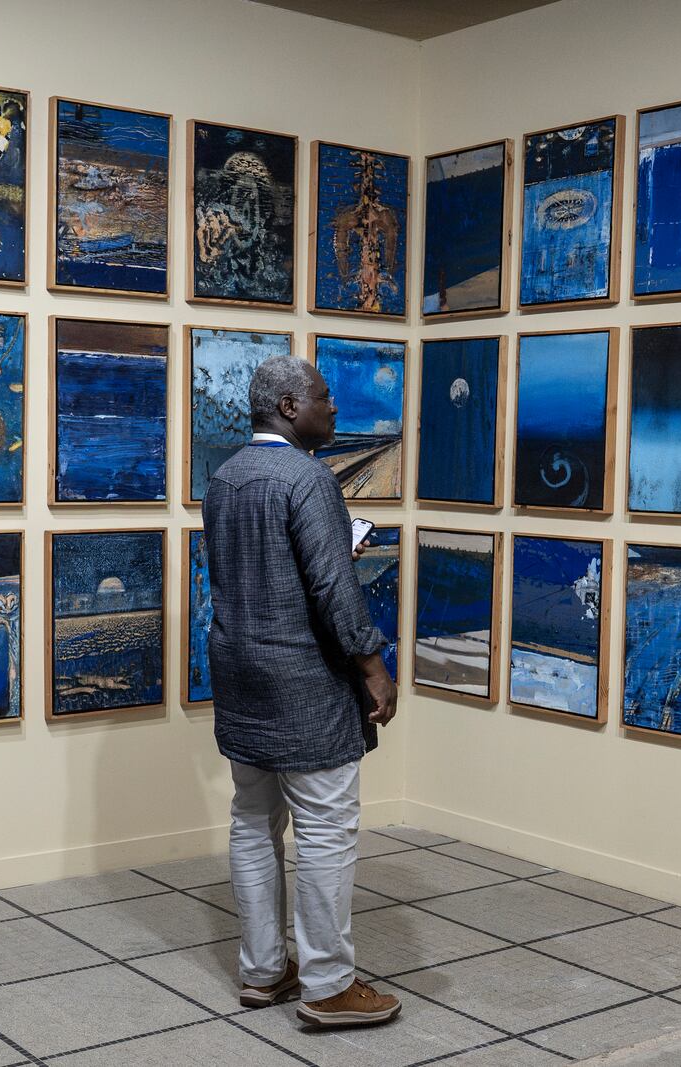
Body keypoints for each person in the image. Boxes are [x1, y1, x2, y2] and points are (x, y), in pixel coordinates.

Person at [201, 354, 401, 1028]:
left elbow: (256, 574)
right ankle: (328, 985)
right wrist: (373, 666)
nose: (334, 407)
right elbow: (331, 591)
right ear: (288, 406)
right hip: (304, 683)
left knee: (253, 820)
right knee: (324, 831)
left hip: (240, 673)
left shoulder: (225, 476)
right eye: (323, 396)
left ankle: (262, 972)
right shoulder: (309, 479)